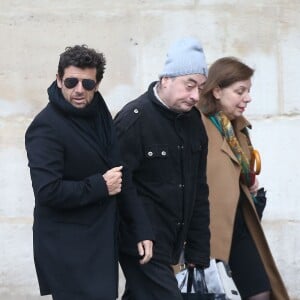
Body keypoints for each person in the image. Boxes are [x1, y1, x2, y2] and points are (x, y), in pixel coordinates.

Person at [25, 45, 154, 300]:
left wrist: (142, 229)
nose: (79, 90)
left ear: (97, 84)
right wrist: (100, 186)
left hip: (100, 241)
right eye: (71, 81)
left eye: (88, 83)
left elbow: (121, 175)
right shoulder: (45, 127)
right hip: (66, 247)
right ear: (59, 79)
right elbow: (47, 191)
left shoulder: (100, 115)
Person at [114, 37, 210, 299]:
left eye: (200, 88)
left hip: (172, 242)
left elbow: (199, 189)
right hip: (140, 242)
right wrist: (140, 232)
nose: (195, 96)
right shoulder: (134, 119)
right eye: (189, 86)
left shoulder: (194, 122)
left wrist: (198, 251)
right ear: (166, 79)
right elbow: (121, 186)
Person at [197, 57, 290, 299]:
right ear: (217, 90)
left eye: (248, 91)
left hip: (240, 225)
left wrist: (251, 186)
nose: (247, 98)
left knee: (260, 291)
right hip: (209, 232)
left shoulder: (236, 127)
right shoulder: (197, 125)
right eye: (240, 91)